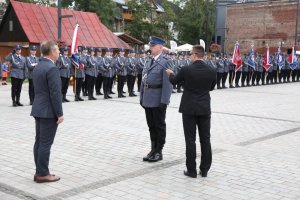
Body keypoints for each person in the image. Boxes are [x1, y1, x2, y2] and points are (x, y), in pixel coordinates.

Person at [166, 45, 216, 178]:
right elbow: (211, 87)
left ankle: (191, 170)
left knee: (190, 139)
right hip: (204, 108)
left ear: (194, 55)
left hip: (189, 108)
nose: (189, 57)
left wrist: (170, 74)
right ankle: (204, 170)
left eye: (190, 54)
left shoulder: (186, 69)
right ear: (203, 55)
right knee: (205, 139)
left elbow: (175, 82)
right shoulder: (211, 70)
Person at [31, 41, 64, 183]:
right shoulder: (52, 68)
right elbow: (55, 94)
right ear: (51, 52)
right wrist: (60, 113)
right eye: (57, 50)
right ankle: (43, 173)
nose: (59, 53)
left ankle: (39, 170)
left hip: (38, 108)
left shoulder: (38, 66)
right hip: (48, 111)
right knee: (45, 143)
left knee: (39, 142)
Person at [140, 36, 173, 162]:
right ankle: (152, 149)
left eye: (153, 46)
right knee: (151, 126)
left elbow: (168, 83)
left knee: (159, 126)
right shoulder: (149, 61)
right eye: (150, 46)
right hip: (148, 98)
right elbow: (144, 80)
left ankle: (159, 151)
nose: (150, 48)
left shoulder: (165, 61)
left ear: (160, 47)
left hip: (158, 99)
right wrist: (142, 96)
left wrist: (164, 101)